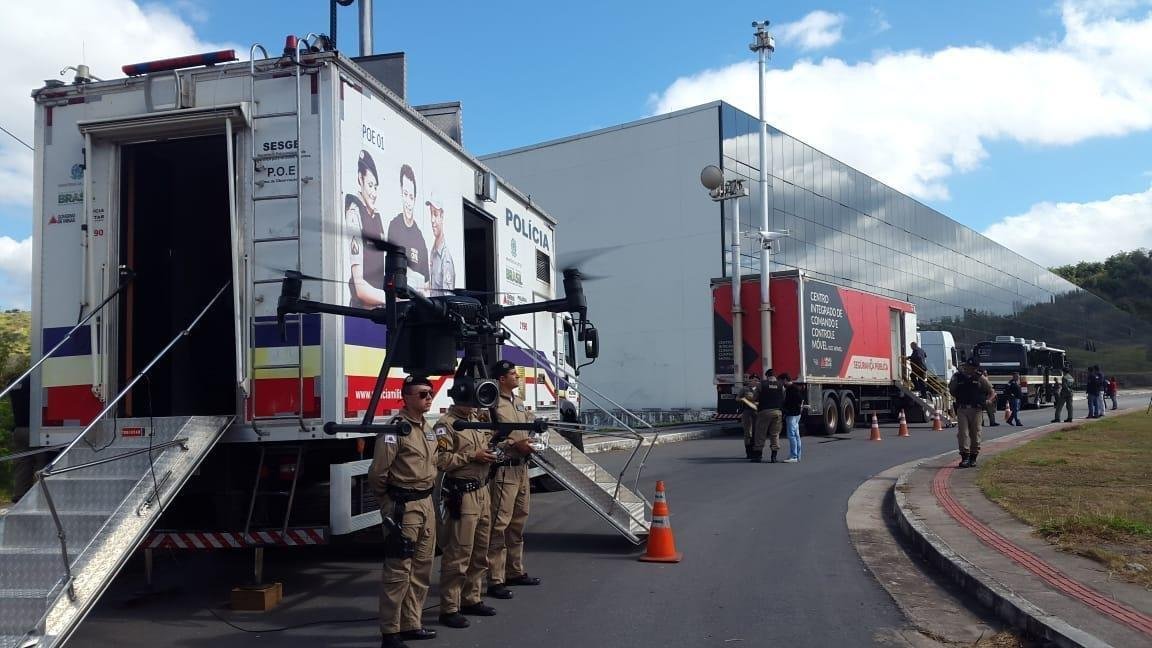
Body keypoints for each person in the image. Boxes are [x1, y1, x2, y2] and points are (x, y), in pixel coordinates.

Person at [369, 375, 440, 647]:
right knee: (399, 570)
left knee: (422, 568)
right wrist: (387, 504)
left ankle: (412, 623)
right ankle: (390, 631)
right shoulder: (395, 429)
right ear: (406, 397)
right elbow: (378, 474)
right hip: (404, 506)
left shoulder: (427, 428)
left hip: (426, 503)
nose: (429, 398)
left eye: (430, 393)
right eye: (422, 394)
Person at [435, 402, 500, 630]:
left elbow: (489, 441)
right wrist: (472, 456)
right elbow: (441, 461)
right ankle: (450, 608)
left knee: (480, 550)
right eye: (470, 397)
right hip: (463, 494)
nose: (474, 403)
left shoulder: (477, 420)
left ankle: (471, 598)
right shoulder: (446, 425)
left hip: (483, 491)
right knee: (459, 553)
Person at [486, 360, 541, 600]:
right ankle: (495, 579)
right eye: (511, 374)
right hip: (505, 471)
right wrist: (512, 445)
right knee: (500, 525)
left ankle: (514, 571)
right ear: (501, 379)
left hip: (522, 470)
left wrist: (532, 439)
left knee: (518, 523)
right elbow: (487, 438)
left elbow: (526, 430)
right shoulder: (492, 404)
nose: (516, 376)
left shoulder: (517, 402)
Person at [347, 152, 388, 308]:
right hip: (360, 315)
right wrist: (391, 300)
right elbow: (360, 289)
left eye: (376, 187)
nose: (374, 193)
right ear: (360, 178)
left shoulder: (376, 217)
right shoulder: (354, 213)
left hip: (378, 313)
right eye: (370, 185)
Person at [387, 164, 430, 283]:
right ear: (401, 192)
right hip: (396, 300)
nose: (408, 202)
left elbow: (426, 284)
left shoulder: (420, 239)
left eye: (411, 196)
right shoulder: (394, 227)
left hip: (413, 301)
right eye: (405, 194)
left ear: (415, 198)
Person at [948, 359, 995, 468]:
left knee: (975, 433)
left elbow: (991, 391)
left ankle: (973, 457)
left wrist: (989, 401)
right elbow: (951, 389)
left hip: (976, 409)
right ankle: (965, 457)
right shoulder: (958, 377)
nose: (969, 369)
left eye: (972, 367)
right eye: (968, 366)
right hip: (962, 408)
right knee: (963, 434)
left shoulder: (980, 378)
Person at [754, 370, 785, 463]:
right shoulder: (781, 385)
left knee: (760, 434)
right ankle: (773, 457)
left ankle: (758, 456)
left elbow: (755, 397)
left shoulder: (761, 385)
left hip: (764, 412)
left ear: (767, 376)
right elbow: (783, 398)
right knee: (775, 434)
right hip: (777, 412)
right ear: (774, 376)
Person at [426, 196, 455, 296]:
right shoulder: (432, 252)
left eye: (435, 214)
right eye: (431, 214)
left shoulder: (445, 258)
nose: (432, 220)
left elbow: (447, 299)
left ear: (442, 216)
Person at [781, 374, 804, 463]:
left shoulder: (791, 389)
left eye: (782, 381)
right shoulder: (795, 388)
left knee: (792, 435)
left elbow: (797, 400)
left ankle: (794, 456)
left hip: (792, 415)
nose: (781, 383)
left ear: (785, 380)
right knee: (796, 435)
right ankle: (798, 455)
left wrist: (786, 409)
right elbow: (801, 400)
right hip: (796, 414)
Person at [737, 374, 761, 460]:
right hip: (747, 411)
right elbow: (737, 398)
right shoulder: (744, 389)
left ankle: (756, 451)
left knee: (756, 432)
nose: (752, 382)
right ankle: (748, 452)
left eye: (754, 380)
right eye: (750, 380)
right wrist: (745, 399)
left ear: (758, 381)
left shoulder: (760, 389)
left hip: (757, 412)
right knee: (748, 432)